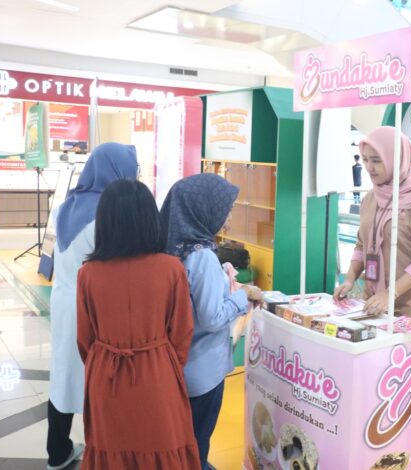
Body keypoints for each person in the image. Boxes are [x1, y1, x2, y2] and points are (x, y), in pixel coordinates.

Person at [76, 179, 200, 468]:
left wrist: (101, 361)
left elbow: (84, 339)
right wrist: (162, 363)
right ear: (149, 219)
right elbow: (182, 334)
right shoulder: (171, 268)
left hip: (105, 376)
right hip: (158, 374)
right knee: (163, 446)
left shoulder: (88, 273)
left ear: (105, 221)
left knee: (110, 447)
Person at [160, 173, 262, 470]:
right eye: (225, 209)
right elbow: (212, 317)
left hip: (178, 365)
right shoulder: (201, 255)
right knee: (197, 441)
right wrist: (243, 296)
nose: (228, 216)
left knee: (182, 440)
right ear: (202, 209)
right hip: (203, 370)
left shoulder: (171, 248)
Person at [47, 142, 138, 470]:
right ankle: (102, 454)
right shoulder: (109, 213)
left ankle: (57, 451)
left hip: (63, 301)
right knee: (97, 378)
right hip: (95, 307)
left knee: (63, 374)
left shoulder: (65, 206)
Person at [334, 126, 411, 321]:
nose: (369, 167)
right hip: (373, 305)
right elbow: (361, 245)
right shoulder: (371, 198)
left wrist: (390, 293)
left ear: (396, 159)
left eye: (377, 160)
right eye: (365, 159)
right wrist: (350, 279)